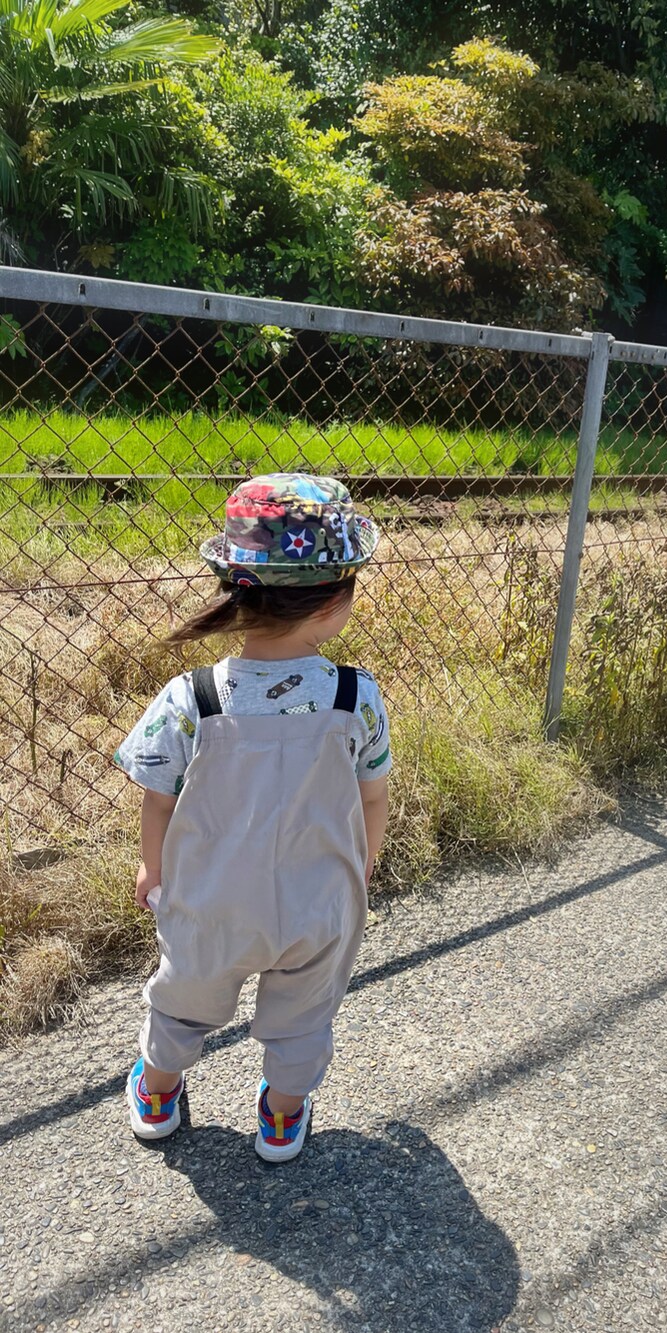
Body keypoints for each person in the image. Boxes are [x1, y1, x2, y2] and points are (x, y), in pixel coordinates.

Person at [113, 474, 391, 1162]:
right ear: (334, 604)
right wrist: (362, 863)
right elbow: (373, 794)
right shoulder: (356, 696)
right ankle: (281, 1115)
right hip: (316, 903)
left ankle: (155, 1090)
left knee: (184, 997)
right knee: (303, 1020)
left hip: (211, 902)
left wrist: (154, 866)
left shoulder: (193, 697)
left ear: (236, 593)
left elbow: (158, 795)